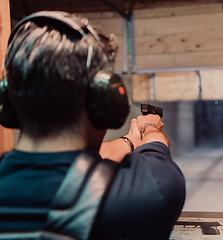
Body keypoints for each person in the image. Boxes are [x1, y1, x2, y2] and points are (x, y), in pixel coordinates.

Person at [0, 11, 185, 240]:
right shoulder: (147, 194)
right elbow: (157, 157)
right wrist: (150, 129)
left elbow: (87, 157)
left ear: (8, 100)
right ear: (104, 101)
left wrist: (130, 140)